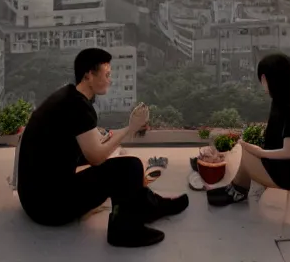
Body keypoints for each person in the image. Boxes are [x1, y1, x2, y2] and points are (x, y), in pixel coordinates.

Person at [17, 47, 189, 247]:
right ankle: (124, 229)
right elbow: (96, 158)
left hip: (33, 198)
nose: (110, 79)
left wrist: (104, 136)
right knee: (130, 167)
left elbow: (72, 138)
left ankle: (148, 206)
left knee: (118, 161)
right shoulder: (79, 107)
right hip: (50, 207)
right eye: (107, 74)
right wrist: (130, 128)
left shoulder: (67, 95)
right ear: (89, 75)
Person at [208, 53, 290, 206]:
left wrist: (260, 152)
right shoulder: (286, 101)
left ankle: (238, 191)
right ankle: (237, 188)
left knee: (245, 154)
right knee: (245, 149)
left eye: (263, 78)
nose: (262, 82)